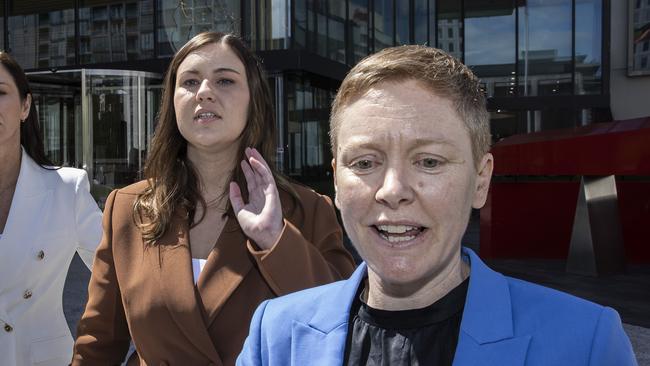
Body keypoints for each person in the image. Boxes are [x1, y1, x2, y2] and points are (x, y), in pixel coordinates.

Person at [236, 45, 638, 366]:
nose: (392, 190)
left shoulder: (585, 344)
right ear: (338, 182)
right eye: (365, 163)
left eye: (429, 161)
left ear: (481, 180)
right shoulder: (276, 336)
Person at [72, 32, 356, 366]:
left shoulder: (307, 210)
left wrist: (276, 240)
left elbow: (342, 326)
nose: (204, 92)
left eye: (224, 80)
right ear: (172, 102)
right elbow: (98, 345)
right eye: (190, 82)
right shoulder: (127, 208)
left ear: (254, 99)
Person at [0, 52, 103, 365]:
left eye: (0, 92)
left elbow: (120, 277)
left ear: (25, 106)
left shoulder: (66, 190)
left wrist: (96, 350)